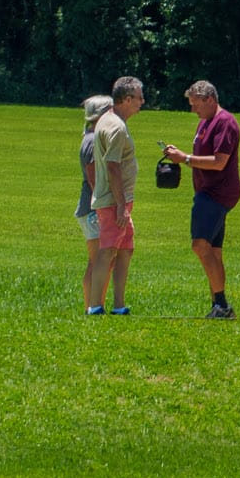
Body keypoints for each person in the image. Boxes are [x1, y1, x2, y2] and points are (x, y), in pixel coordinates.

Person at [161, 80, 240, 319]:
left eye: (196, 104)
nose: (193, 109)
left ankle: (222, 304)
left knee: (199, 245)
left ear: (210, 100)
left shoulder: (225, 122)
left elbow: (219, 161)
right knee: (213, 251)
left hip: (216, 192)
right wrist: (181, 156)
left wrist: (184, 158)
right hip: (208, 191)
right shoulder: (205, 122)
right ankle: (219, 306)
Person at [88, 76, 144, 315]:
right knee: (108, 249)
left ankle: (119, 305)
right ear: (128, 99)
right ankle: (95, 307)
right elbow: (112, 166)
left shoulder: (109, 120)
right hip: (113, 201)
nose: (143, 101)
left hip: (120, 201)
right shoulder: (116, 127)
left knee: (125, 249)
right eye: (140, 97)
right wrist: (121, 205)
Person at [77, 94, 115, 314]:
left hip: (92, 207)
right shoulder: (93, 140)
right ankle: (93, 306)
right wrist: (104, 206)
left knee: (102, 260)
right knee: (99, 260)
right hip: (93, 208)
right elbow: (93, 177)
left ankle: (95, 305)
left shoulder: (92, 137)